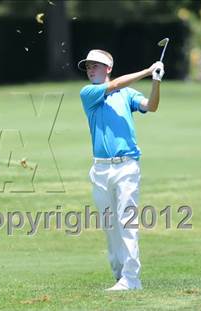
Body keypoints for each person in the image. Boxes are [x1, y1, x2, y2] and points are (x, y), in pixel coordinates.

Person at [77, 49, 164, 291]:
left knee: (127, 222)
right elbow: (114, 84)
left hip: (127, 166)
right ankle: (120, 275)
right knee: (110, 227)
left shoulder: (127, 94)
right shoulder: (88, 93)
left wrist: (155, 82)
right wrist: (147, 71)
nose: (90, 69)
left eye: (96, 65)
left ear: (108, 67)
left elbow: (151, 106)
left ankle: (131, 279)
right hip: (100, 170)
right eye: (88, 66)